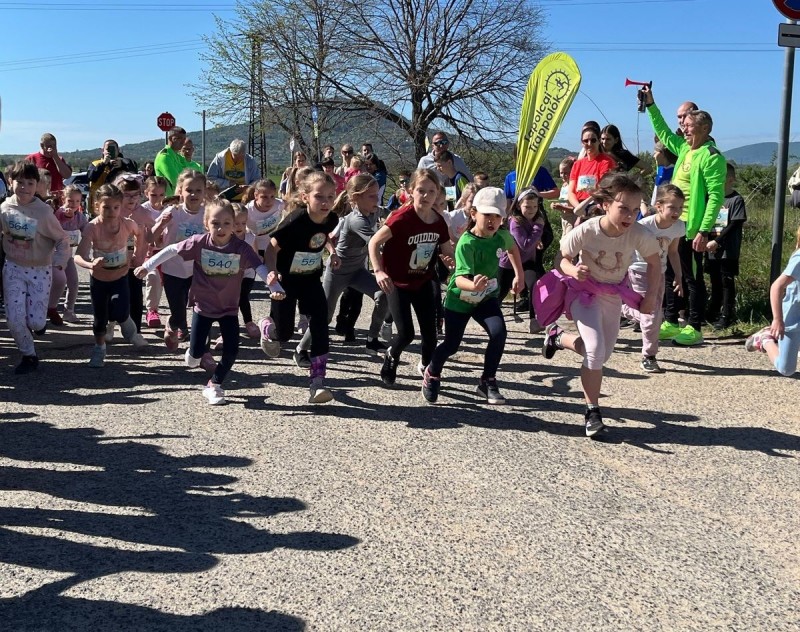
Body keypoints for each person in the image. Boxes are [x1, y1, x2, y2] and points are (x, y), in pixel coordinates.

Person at [538, 174, 660, 438]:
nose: (629, 215)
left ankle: (558, 337)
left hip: (613, 294)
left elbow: (655, 264)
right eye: (623, 208)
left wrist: (650, 296)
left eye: (634, 209)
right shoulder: (588, 229)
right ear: (606, 205)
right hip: (583, 293)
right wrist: (572, 270)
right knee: (594, 351)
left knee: (601, 355)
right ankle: (592, 412)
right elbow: (561, 258)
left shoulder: (639, 233)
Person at [136, 200, 284, 405]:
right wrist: (147, 265)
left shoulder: (242, 248)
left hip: (229, 308)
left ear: (234, 225)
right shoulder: (199, 242)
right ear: (206, 224)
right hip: (203, 307)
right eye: (215, 223)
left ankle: (214, 384)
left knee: (232, 350)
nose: (221, 228)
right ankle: (194, 353)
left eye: (226, 223)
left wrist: (274, 287)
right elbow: (171, 250)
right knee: (195, 354)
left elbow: (260, 268)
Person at [421, 187, 524, 404]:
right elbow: (458, 279)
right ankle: (432, 372)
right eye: (487, 215)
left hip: (485, 298)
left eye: (497, 216)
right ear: (474, 213)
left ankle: (487, 381)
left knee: (498, 333)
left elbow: (513, 249)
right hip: (460, 300)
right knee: (451, 344)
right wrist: (473, 286)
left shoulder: (501, 236)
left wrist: (518, 275)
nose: (492, 221)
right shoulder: (466, 243)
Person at [643, 86, 726, 347]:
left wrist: (703, 230)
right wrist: (651, 104)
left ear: (703, 128)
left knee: (691, 277)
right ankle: (669, 319)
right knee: (669, 273)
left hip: (691, 227)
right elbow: (665, 133)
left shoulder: (711, 157)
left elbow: (715, 197)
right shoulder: (685, 148)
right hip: (672, 224)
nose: (684, 129)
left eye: (689, 125)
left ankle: (694, 325)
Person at [259, 171, 340, 403]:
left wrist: (332, 252)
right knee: (284, 334)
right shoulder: (295, 220)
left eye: (330, 197)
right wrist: (272, 273)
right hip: (286, 282)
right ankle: (268, 328)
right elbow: (272, 249)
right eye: (319, 197)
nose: (325, 202)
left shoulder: (331, 218)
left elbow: (323, 236)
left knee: (320, 326)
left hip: (311, 280)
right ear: (306, 197)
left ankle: (317, 383)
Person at [368, 168, 455, 385]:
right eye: (421, 190)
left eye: (431, 191)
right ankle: (392, 355)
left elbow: (447, 251)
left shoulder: (438, 222)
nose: (425, 196)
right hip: (397, 282)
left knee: (431, 334)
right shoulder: (401, 218)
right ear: (410, 191)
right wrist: (378, 271)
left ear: (438, 194)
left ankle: (427, 368)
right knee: (406, 333)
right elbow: (374, 243)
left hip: (423, 280)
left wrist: (450, 262)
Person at [294, 174, 389, 359]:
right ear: (356, 198)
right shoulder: (356, 220)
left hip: (357, 272)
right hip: (338, 272)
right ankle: (301, 349)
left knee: (383, 294)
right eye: (371, 196)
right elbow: (376, 243)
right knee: (325, 315)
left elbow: (391, 213)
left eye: (377, 194)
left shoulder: (374, 211)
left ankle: (372, 340)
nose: (376, 199)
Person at [0, 161, 70, 374]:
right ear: (11, 183)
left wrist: (60, 261)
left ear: (36, 185)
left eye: (30, 183)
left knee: (36, 321)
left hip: (40, 270)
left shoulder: (43, 212)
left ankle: (39, 325)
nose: (24, 187)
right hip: (13, 268)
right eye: (20, 182)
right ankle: (29, 354)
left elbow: (62, 239)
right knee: (14, 318)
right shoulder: (4, 208)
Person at [74, 184, 147, 367]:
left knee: (121, 311)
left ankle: (132, 332)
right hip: (99, 280)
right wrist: (91, 264)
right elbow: (78, 256)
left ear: (121, 206)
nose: (111, 211)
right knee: (100, 319)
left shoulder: (127, 224)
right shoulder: (92, 227)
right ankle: (99, 349)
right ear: (96, 206)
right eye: (106, 207)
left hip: (120, 277)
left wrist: (138, 255)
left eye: (115, 207)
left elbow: (140, 234)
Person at [620, 184, 686, 373]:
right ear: (659, 206)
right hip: (639, 271)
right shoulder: (644, 226)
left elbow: (673, 252)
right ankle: (649, 356)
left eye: (681, 208)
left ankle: (620, 308)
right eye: (672, 207)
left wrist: (679, 276)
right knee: (651, 314)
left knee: (654, 313)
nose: (677, 212)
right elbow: (627, 248)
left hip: (660, 273)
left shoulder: (679, 227)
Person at [151, 169, 208, 350]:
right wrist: (161, 224)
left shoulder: (208, 213)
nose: (193, 194)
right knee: (178, 309)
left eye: (198, 190)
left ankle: (199, 345)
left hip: (198, 269)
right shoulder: (173, 212)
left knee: (201, 306)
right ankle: (174, 323)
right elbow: (151, 238)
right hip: (173, 268)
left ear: (204, 192)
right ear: (180, 191)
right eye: (189, 190)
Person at [745, 226, 800, 376]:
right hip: (792, 319)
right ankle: (765, 339)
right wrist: (777, 319)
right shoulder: (799, 259)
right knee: (786, 369)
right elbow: (776, 287)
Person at [498, 187, 545, 333]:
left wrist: (537, 238)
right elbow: (525, 245)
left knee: (534, 286)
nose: (532, 210)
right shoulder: (515, 222)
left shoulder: (535, 219)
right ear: (519, 206)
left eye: (535, 206)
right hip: (508, 263)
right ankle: (491, 317)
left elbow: (531, 241)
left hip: (527, 261)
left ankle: (533, 320)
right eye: (527, 206)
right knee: (500, 292)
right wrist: (538, 228)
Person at [705, 163, 746, 330]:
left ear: (730, 180)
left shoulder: (736, 200)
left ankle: (727, 314)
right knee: (714, 280)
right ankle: (713, 310)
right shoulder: (712, 199)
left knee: (726, 282)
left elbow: (734, 224)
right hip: (711, 249)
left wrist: (717, 241)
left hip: (727, 250)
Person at [49, 184, 87, 324]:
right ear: (63, 199)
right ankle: (49, 307)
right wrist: (66, 216)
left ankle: (69, 311)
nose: (74, 204)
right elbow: (55, 224)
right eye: (70, 201)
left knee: (74, 282)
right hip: (54, 256)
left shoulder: (80, 216)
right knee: (57, 282)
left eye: (77, 201)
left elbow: (87, 230)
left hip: (69, 256)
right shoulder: (58, 213)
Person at [568, 127, 617, 219]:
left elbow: (603, 187)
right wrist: (579, 207)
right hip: (579, 208)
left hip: (597, 209)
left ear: (598, 141)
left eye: (593, 140)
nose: (589, 144)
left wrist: (586, 207)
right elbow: (571, 191)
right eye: (586, 141)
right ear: (582, 143)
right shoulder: (577, 164)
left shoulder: (606, 162)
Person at [141, 176, 169, 328]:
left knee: (170, 282)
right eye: (153, 195)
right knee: (152, 278)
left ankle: (177, 315)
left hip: (166, 250)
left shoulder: (169, 209)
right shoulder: (143, 210)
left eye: (161, 195)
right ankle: (151, 310)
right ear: (146, 193)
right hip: (149, 252)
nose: (158, 199)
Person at [87, 140, 138, 208]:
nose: (110, 152)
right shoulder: (95, 164)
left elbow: (134, 174)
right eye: (108, 149)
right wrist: (103, 164)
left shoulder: (126, 163)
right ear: (102, 150)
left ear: (118, 150)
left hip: (119, 205)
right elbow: (91, 177)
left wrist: (123, 164)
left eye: (113, 149)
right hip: (99, 203)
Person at [25, 133, 72, 199]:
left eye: (54, 146)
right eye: (49, 146)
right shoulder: (31, 159)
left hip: (56, 199)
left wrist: (55, 157)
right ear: (42, 146)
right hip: (37, 198)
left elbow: (67, 175)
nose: (52, 148)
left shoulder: (59, 159)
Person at [154, 126, 187, 197]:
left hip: (177, 198)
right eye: (178, 139)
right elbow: (176, 180)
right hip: (167, 200)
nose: (182, 142)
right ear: (170, 139)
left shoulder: (177, 156)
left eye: (184, 139)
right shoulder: (164, 156)